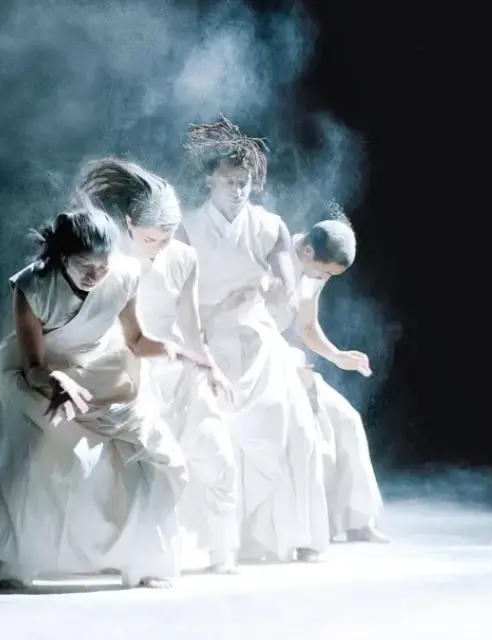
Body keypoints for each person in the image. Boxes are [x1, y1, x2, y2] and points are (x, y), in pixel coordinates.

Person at [0, 203, 205, 590]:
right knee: (34, 458)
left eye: (102, 267)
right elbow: (33, 363)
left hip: (102, 367)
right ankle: (9, 566)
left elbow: (135, 338)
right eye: (85, 266)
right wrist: (58, 382)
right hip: (35, 374)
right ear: (64, 256)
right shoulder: (32, 285)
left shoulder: (123, 275)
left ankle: (144, 560)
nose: (95, 275)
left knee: (144, 454)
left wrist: (173, 349)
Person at [177, 117, 329, 562]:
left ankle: (274, 534)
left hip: (258, 337)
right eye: (229, 180)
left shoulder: (269, 226)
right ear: (210, 180)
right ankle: (218, 537)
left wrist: (273, 287)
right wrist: (217, 313)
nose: (238, 189)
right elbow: (179, 295)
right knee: (210, 427)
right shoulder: (188, 227)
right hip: (206, 337)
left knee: (293, 421)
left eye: (244, 182)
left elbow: (288, 284)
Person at [78, 157, 240, 573]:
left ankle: (224, 555)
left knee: (217, 454)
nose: (162, 245)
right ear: (130, 224)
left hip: (178, 368)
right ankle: (147, 560)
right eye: (153, 238)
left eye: (168, 237)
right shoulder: (108, 261)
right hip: (130, 372)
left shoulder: (184, 257)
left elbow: (190, 325)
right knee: (150, 468)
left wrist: (212, 369)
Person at [267, 207, 387, 543]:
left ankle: (357, 520)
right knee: (313, 432)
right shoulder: (271, 257)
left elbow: (306, 325)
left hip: (289, 362)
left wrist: (337, 356)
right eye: (325, 271)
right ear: (306, 251)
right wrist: (285, 360)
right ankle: (305, 529)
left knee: (347, 419)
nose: (326, 279)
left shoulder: (314, 273)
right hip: (257, 361)